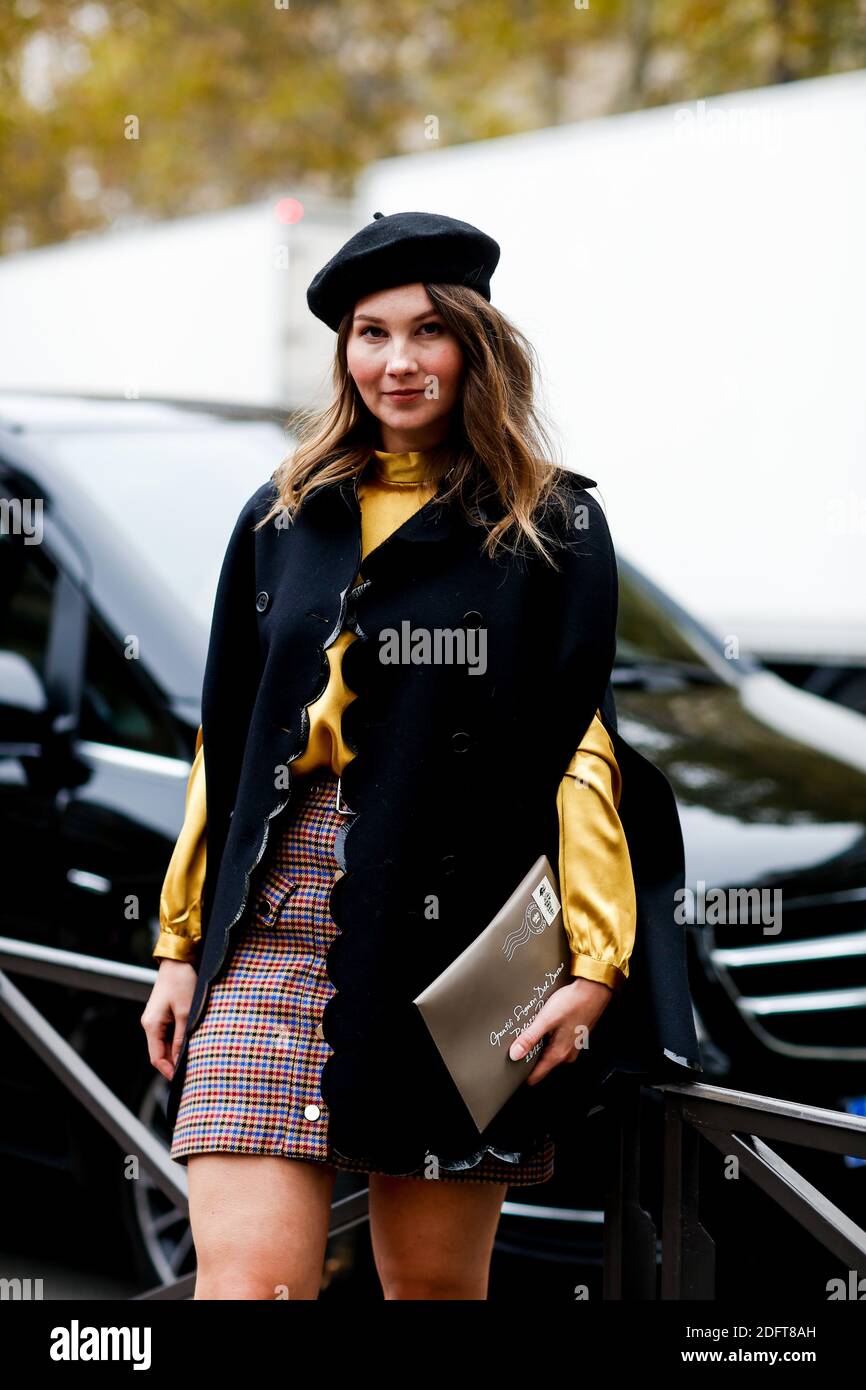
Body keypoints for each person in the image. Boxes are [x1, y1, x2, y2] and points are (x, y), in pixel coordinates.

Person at [141, 210, 699, 1300]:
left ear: (475, 346)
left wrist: (593, 964)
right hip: (270, 928)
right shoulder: (283, 514)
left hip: (444, 938)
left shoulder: (550, 527)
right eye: (368, 333)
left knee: (433, 1292)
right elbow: (228, 732)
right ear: (342, 353)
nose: (396, 361)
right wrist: (176, 941)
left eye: (427, 331)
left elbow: (582, 747)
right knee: (248, 1286)